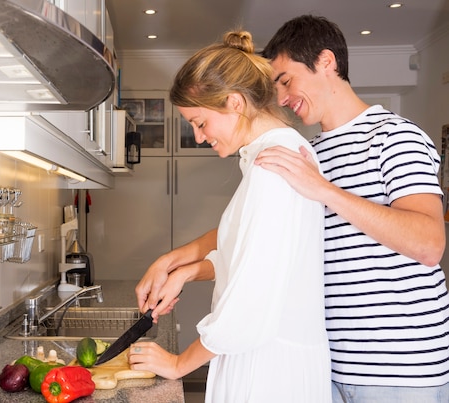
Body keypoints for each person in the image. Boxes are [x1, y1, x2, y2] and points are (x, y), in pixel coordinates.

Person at [137, 14, 449, 403]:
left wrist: (325, 191)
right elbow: (255, 238)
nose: (280, 97)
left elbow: (429, 243)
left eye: (285, 81)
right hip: (334, 362)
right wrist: (176, 263)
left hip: (397, 367)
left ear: (326, 62)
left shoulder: (394, 137)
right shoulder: (307, 153)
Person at [127, 29, 332, 402]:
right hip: (269, 363)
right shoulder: (270, 156)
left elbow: (248, 303)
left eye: (200, 122)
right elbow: (250, 257)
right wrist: (181, 269)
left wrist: (177, 365)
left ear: (235, 103)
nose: (199, 137)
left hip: (269, 373)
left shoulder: (274, 167)